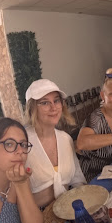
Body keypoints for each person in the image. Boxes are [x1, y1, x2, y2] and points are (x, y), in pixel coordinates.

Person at [24, 79, 86, 208]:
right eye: (45, 103)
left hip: (68, 210)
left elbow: (77, 179)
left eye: (56, 101)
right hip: (38, 216)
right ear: (32, 108)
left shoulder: (66, 139)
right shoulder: (23, 143)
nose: (53, 108)